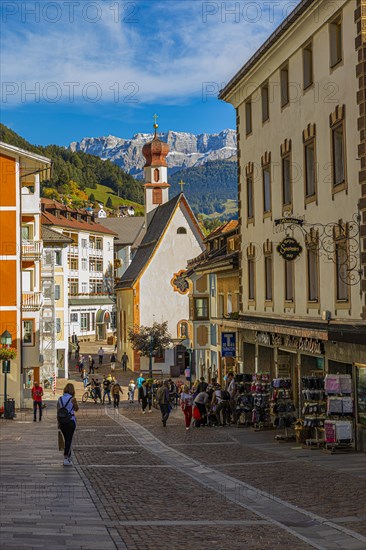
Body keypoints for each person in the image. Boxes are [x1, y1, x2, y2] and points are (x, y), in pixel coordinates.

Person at [57, 383, 79, 466]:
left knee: (66, 439)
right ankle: (66, 457)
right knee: (69, 440)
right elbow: (76, 409)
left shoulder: (60, 399)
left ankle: (68, 457)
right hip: (70, 421)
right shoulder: (72, 399)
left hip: (62, 422)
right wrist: (74, 404)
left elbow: (58, 412)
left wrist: (58, 423)